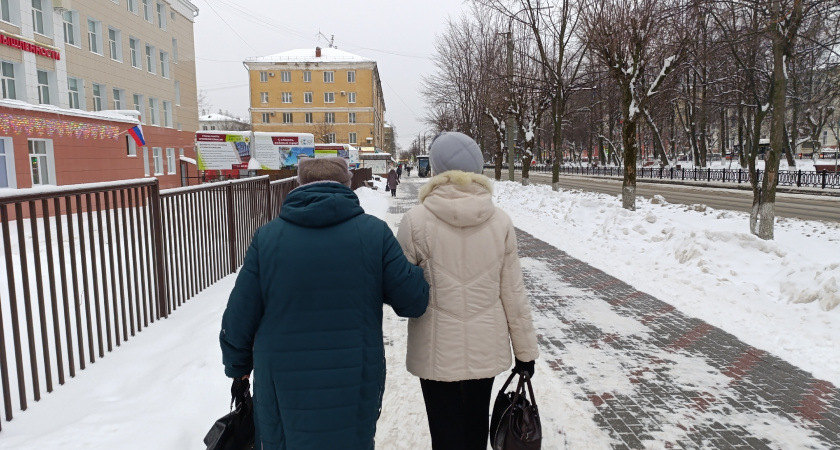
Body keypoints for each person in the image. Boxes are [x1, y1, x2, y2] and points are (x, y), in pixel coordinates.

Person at [220, 157, 429, 450]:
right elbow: (413, 301)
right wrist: (419, 269)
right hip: (353, 380)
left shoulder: (267, 239)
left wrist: (238, 366)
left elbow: (238, 317)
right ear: (348, 186)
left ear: (299, 185)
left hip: (281, 383)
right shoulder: (373, 235)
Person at [396, 132, 539, 450]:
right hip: (484, 344)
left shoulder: (415, 221)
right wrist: (525, 353)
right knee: (475, 426)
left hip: (434, 347)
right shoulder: (499, 221)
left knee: (444, 433)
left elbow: (401, 288)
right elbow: (513, 292)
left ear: (435, 168)